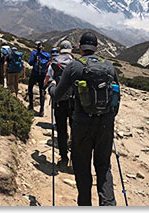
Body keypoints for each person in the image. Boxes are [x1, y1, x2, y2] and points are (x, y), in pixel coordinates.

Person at [49, 32, 120, 207]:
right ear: (97, 47)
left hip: (82, 124)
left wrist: (51, 87)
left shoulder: (74, 67)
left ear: (79, 47)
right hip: (105, 123)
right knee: (103, 167)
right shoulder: (109, 67)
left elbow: (58, 95)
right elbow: (116, 99)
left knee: (82, 169)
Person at [44, 40, 74, 170]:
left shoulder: (54, 63)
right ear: (71, 50)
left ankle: (63, 158)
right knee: (75, 130)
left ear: (60, 49)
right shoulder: (76, 63)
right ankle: (75, 158)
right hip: (74, 102)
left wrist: (49, 87)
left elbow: (48, 79)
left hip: (59, 101)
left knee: (61, 130)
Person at [28, 40, 51, 117]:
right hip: (43, 75)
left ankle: (31, 106)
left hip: (35, 73)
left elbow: (30, 62)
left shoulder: (34, 53)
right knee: (42, 91)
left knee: (30, 88)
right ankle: (42, 109)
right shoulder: (46, 55)